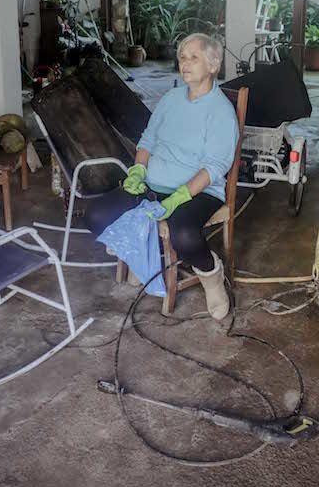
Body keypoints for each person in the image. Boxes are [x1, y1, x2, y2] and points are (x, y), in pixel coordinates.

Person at [85, 33, 239, 320]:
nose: (185, 64)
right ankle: (139, 255)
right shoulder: (170, 99)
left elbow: (216, 165)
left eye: (194, 57)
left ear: (213, 65)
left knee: (184, 234)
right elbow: (148, 140)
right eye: (182, 57)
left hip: (198, 190)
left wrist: (181, 194)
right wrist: (138, 171)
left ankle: (211, 276)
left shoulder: (221, 112)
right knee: (96, 215)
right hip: (152, 183)